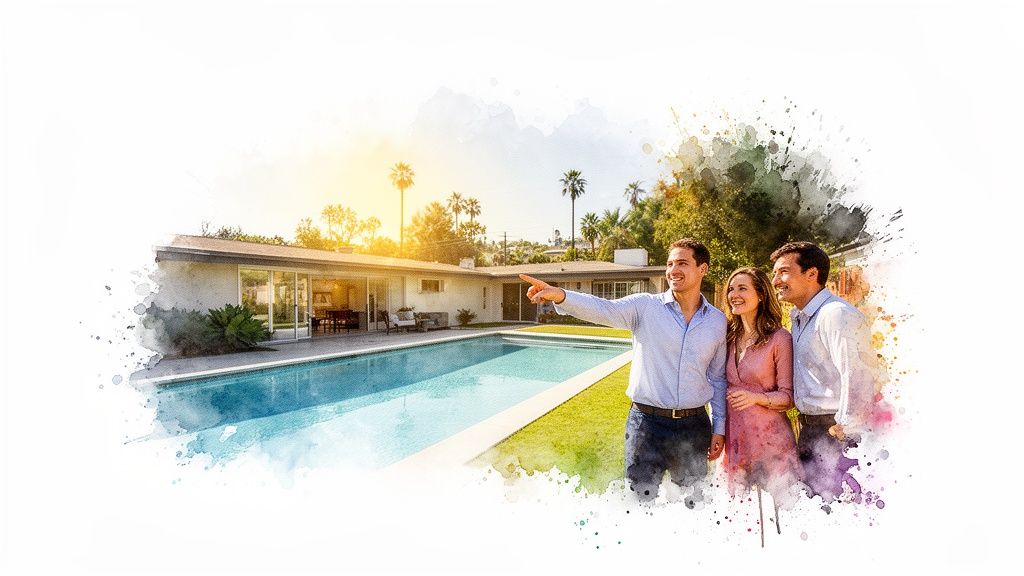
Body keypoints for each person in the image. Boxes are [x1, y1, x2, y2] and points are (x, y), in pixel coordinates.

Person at [519, 238, 727, 503]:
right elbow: (604, 309)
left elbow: (718, 378)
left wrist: (719, 427)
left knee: (693, 503)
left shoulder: (717, 322)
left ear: (703, 269)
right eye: (670, 264)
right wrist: (561, 295)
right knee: (639, 502)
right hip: (646, 425)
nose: (673, 270)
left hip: (694, 426)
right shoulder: (645, 307)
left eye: (682, 263)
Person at [770, 241, 880, 503]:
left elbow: (858, 375)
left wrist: (847, 432)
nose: (775, 281)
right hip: (810, 431)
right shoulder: (799, 318)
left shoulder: (836, 314)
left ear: (812, 273)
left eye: (783, 272)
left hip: (836, 433)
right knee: (814, 508)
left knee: (838, 511)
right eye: (774, 274)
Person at [722, 267, 803, 509]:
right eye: (731, 289)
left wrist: (755, 397)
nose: (734, 294)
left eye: (742, 288)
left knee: (780, 513)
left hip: (771, 443)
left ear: (761, 295)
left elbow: (788, 398)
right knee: (738, 513)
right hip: (735, 439)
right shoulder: (727, 337)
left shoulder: (780, 338)